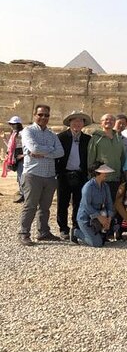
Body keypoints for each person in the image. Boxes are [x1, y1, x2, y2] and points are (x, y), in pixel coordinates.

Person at [18, 105, 65, 246]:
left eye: (46, 115)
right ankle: (23, 233)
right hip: (33, 174)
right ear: (34, 115)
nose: (44, 117)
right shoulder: (27, 131)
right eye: (41, 114)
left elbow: (60, 152)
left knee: (45, 207)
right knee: (30, 205)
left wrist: (42, 153)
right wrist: (50, 151)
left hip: (49, 176)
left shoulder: (52, 135)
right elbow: (34, 148)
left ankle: (43, 232)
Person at [55, 111, 92, 240]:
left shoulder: (88, 139)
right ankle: (63, 228)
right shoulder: (61, 137)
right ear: (70, 123)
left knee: (78, 202)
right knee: (62, 202)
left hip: (80, 175)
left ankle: (76, 227)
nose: (77, 123)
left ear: (83, 124)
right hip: (64, 174)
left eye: (80, 121)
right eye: (74, 121)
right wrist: (57, 172)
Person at [73, 163, 115, 247]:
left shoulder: (105, 186)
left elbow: (109, 203)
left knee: (112, 228)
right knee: (97, 243)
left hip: (100, 216)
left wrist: (109, 218)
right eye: (104, 172)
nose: (106, 174)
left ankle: (99, 234)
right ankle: (76, 232)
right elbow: (86, 205)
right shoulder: (88, 187)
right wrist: (99, 217)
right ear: (97, 173)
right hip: (85, 217)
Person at [88, 113, 125, 200]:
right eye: (106, 119)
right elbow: (91, 158)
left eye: (112, 120)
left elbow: (122, 157)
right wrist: (91, 176)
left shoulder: (119, 139)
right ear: (101, 123)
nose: (109, 121)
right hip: (101, 178)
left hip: (116, 178)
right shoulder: (95, 139)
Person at [2, 116, 25, 203]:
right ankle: (22, 194)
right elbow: (11, 146)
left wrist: (23, 155)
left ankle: (25, 195)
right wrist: (4, 139)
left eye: (13, 124)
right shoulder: (14, 134)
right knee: (19, 177)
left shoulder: (22, 133)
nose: (11, 125)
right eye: (11, 124)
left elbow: (27, 145)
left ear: (17, 124)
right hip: (15, 156)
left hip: (21, 156)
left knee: (22, 176)